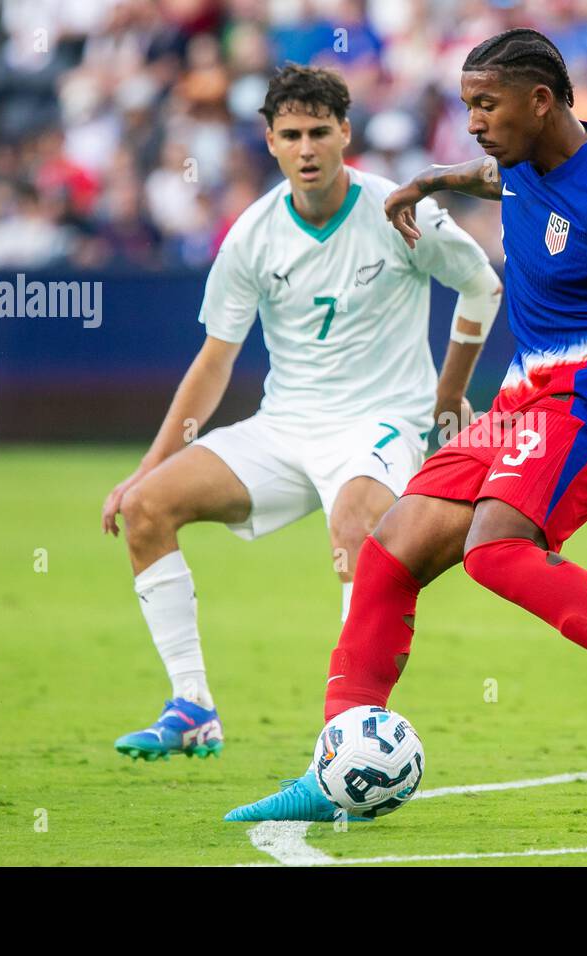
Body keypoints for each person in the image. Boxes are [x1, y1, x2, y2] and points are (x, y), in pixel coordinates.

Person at [225, 30, 587, 822]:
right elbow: (493, 175)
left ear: (540, 101)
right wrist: (429, 182)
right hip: (524, 403)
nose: (472, 121)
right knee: (390, 550)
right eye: (468, 104)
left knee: (496, 551)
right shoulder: (523, 157)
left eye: (485, 104)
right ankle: (334, 762)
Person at [102, 64, 502, 761]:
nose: (308, 147)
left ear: (346, 133)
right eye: (292, 134)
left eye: (321, 131)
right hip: (285, 427)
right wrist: (147, 466)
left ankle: (350, 732)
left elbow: (480, 285)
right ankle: (192, 707)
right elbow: (214, 360)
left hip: (385, 419)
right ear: (270, 142)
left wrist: (447, 395)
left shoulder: (396, 208)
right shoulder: (253, 234)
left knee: (355, 525)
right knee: (146, 510)